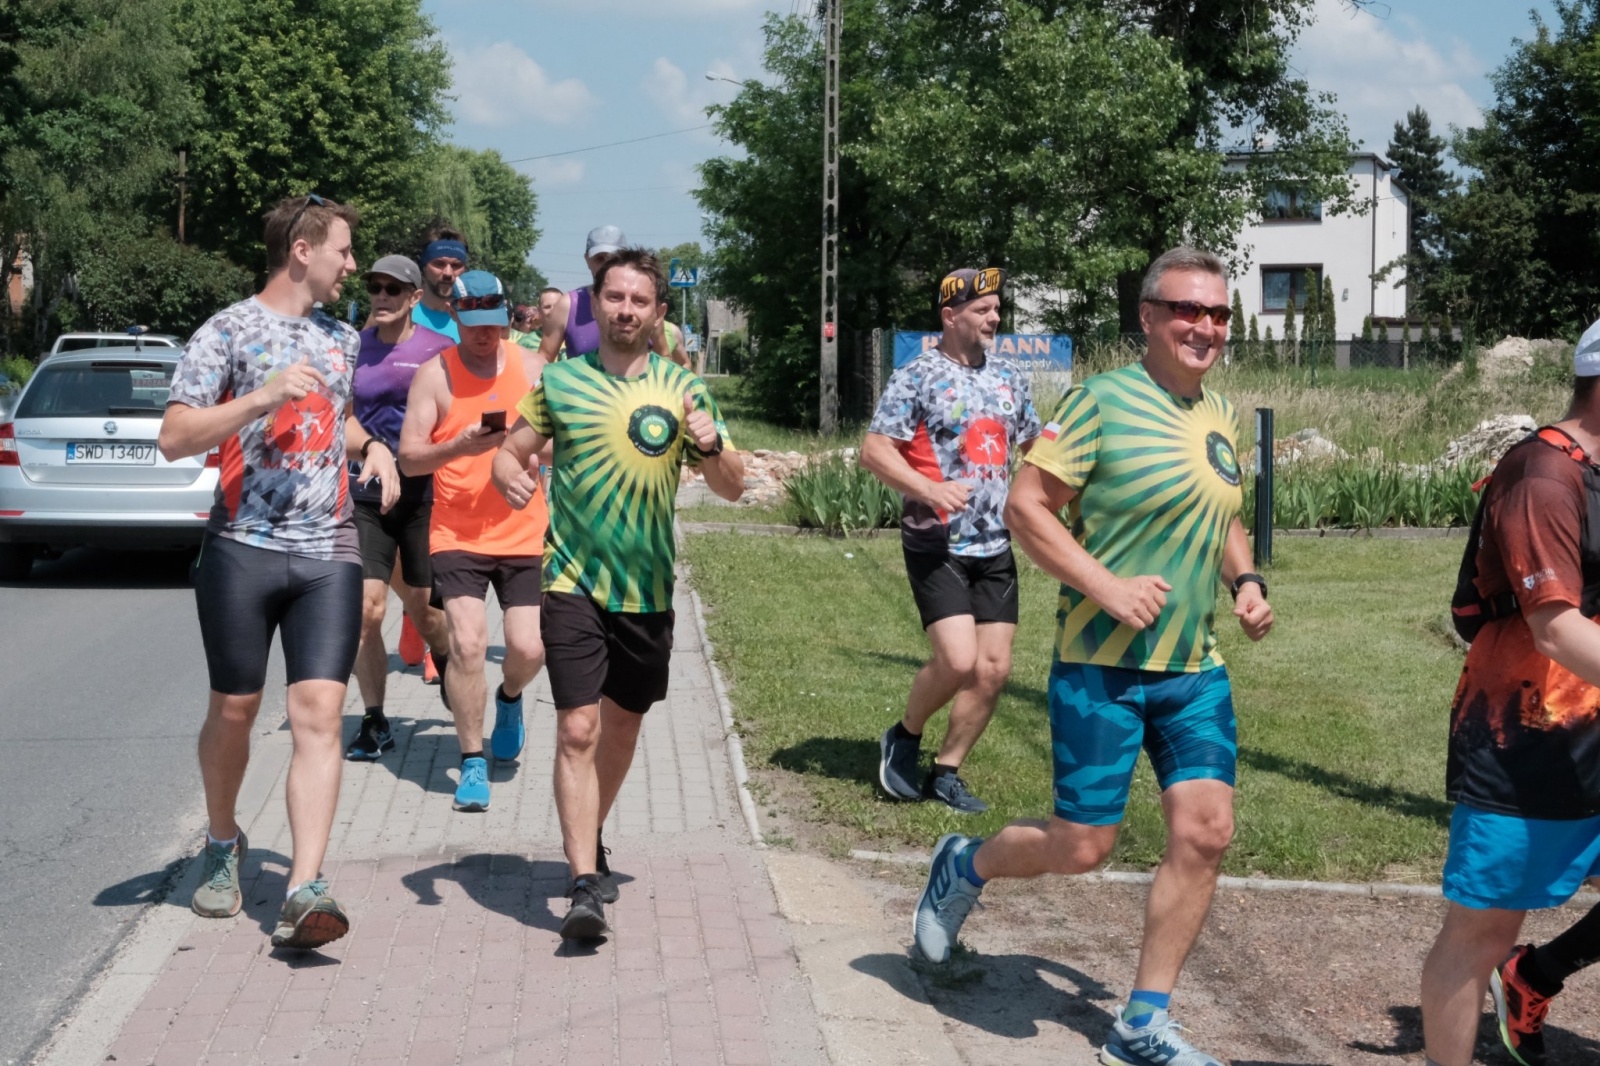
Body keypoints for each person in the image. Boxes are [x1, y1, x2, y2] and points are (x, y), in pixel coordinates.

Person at [910, 247, 1272, 1066]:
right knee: (1082, 847)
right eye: (1187, 310)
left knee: (1207, 833)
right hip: (1101, 665)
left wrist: (1244, 579)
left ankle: (1141, 1025)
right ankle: (965, 865)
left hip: (1193, 671)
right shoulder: (1102, 403)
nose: (1205, 327)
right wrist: (1105, 586)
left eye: (1217, 314)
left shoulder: (1216, 417)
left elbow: (1222, 515)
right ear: (1148, 317)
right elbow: (1026, 505)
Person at [158, 193, 393, 950]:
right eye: (344, 250)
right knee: (235, 707)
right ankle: (223, 843)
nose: (351, 265)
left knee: (319, 714)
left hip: (328, 549)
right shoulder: (226, 330)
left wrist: (372, 447)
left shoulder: (342, 337)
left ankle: (304, 887)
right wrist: (259, 397)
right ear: (302, 249)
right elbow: (174, 436)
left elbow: (340, 414)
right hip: (242, 547)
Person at [491, 248, 744, 941]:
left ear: (657, 312)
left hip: (648, 589)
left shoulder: (683, 389)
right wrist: (506, 473)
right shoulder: (560, 384)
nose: (626, 309)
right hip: (571, 580)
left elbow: (733, 485)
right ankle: (580, 885)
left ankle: (589, 829)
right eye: (615, 297)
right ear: (593, 305)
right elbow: (510, 451)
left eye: (640, 300)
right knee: (579, 726)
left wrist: (713, 442)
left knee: (624, 726)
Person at [1421, 320, 1600, 1066]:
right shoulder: (1539, 477)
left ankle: (1536, 977)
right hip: (1523, 739)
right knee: (1482, 933)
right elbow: (1555, 628)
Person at [864, 267, 1041, 813]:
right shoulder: (916, 375)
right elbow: (874, 451)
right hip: (936, 541)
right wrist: (929, 489)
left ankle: (947, 771)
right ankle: (905, 735)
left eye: (996, 308)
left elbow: (1034, 446)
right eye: (983, 309)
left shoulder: (1011, 377)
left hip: (995, 544)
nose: (995, 318)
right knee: (960, 661)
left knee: (993, 670)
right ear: (950, 315)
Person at [398, 270, 548, 813]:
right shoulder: (433, 375)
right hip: (456, 530)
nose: (486, 335)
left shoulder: (534, 369)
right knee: (466, 644)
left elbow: (563, 445)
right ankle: (473, 759)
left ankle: (509, 699)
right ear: (455, 316)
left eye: (495, 323)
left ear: (507, 316)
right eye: (474, 324)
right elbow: (410, 456)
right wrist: (459, 445)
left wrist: (520, 446)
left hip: (524, 528)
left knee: (529, 648)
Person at [344, 254, 454, 760]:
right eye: (375, 288)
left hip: (422, 496)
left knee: (426, 611)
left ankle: (447, 655)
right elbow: (340, 417)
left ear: (414, 297)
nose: (382, 297)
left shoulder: (439, 350)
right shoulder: (353, 349)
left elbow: (457, 422)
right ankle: (374, 719)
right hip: (364, 491)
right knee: (366, 610)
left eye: (393, 289)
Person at [535, 226, 678, 364]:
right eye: (599, 258)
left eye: (613, 258)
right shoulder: (569, 305)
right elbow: (544, 358)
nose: (605, 265)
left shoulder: (644, 309)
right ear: (587, 259)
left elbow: (664, 355)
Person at [412, 226, 467, 343]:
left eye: (456, 265)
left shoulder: (472, 319)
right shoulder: (399, 312)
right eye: (439, 264)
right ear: (424, 267)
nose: (448, 273)